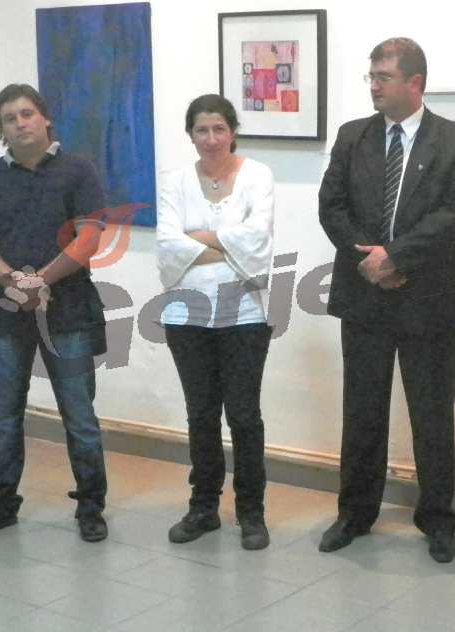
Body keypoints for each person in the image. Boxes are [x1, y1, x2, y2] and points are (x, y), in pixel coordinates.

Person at [317, 38, 455, 562]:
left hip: (426, 297)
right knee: (362, 411)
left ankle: (438, 520)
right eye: (371, 76)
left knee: (432, 415)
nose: (374, 86)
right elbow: (332, 206)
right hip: (364, 294)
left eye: (384, 76)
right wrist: (370, 262)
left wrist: (395, 257)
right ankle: (355, 513)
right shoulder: (353, 136)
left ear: (415, 83)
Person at [0, 84, 109, 543]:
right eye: (10, 118)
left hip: (70, 312)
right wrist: (13, 282)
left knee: (79, 417)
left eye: (27, 113)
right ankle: (0, 507)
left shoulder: (78, 171)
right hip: (5, 313)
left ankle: (91, 507)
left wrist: (40, 280)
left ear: (45, 118)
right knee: (3, 419)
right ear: (1, 129)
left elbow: (89, 239)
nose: (20, 123)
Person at [157, 94, 274, 551]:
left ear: (233, 132)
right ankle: (203, 508)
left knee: (244, 416)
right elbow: (168, 245)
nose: (211, 138)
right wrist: (227, 246)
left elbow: (257, 241)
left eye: (219, 129)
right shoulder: (176, 182)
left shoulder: (257, 175)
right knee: (201, 415)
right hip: (186, 314)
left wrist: (197, 241)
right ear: (191, 134)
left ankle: (251, 512)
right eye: (201, 130)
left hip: (245, 314)